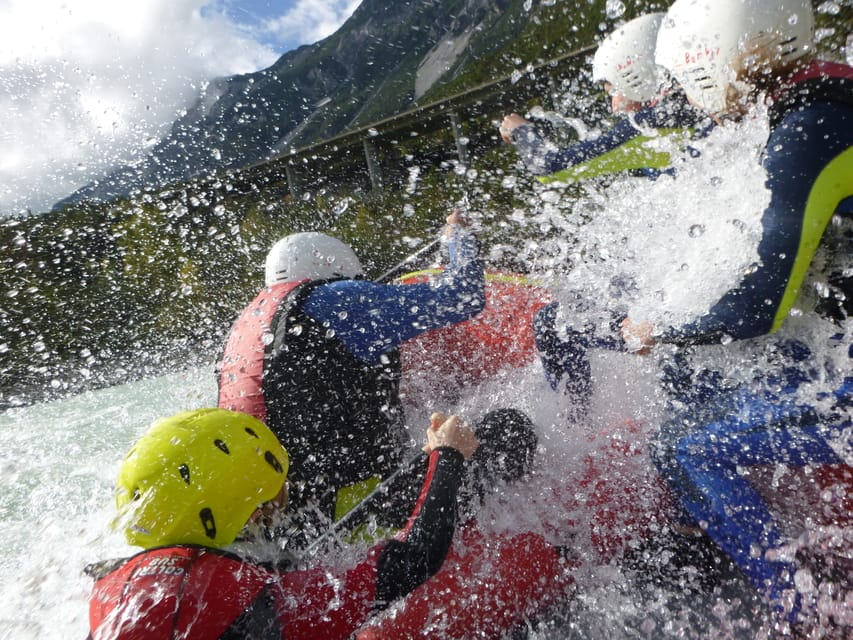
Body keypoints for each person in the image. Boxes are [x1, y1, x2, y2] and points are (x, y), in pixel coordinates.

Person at [615, 0, 852, 630]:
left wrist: (661, 330)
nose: (686, 101)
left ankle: (798, 612)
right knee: (698, 409)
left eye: (685, 83)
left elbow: (760, 307)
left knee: (689, 448)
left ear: (708, 65)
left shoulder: (806, 130)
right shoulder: (822, 96)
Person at [86, 407, 478, 640]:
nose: (280, 496)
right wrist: (447, 455)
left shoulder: (108, 584)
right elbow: (415, 557)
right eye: (271, 491)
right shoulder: (252, 599)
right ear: (244, 508)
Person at [216, 210, 485, 533]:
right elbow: (463, 296)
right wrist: (459, 236)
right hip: (363, 511)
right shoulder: (338, 299)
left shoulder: (247, 328)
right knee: (507, 427)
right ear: (342, 274)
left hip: (293, 520)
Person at [499, 12, 710, 184]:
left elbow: (547, 168)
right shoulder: (698, 103)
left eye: (613, 92)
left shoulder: (650, 125)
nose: (613, 106)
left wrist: (523, 131)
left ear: (637, 76)